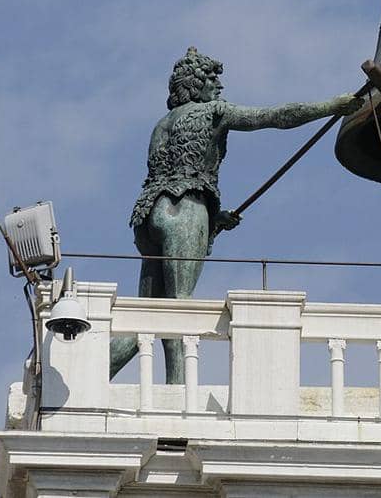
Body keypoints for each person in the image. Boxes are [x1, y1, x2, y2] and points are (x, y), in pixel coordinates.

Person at [109, 47, 362, 383]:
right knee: (179, 308)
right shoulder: (214, 112)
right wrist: (333, 107)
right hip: (188, 208)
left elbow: (165, 176)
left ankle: (90, 371)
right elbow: (276, 117)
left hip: (149, 214)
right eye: (212, 79)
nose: (219, 87)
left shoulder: (161, 125)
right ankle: (178, 387)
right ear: (196, 84)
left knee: (148, 315)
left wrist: (214, 219)